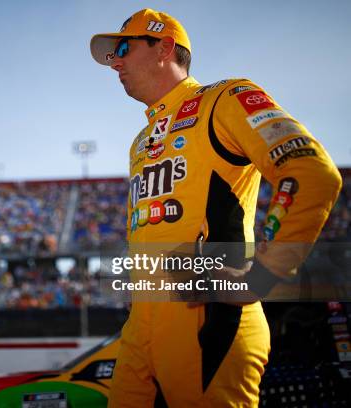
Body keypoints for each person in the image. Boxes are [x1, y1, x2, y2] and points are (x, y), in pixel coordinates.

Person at [90, 9, 341, 407]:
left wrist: (262, 273)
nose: (114, 62)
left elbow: (313, 174)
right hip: (141, 328)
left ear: (165, 48)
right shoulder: (140, 141)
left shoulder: (226, 97)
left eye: (123, 47)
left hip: (210, 322)